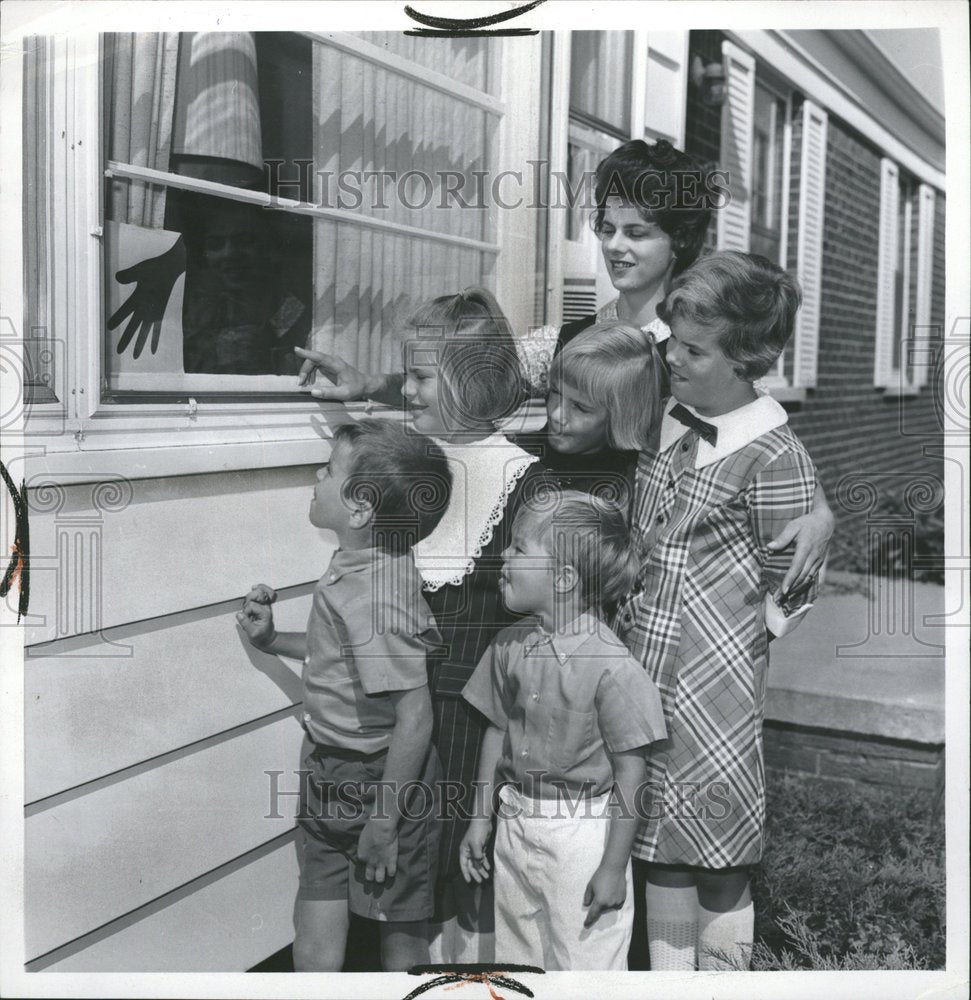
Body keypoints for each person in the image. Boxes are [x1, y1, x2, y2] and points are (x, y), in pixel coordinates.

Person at [296, 289, 551, 964]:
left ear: (469, 382)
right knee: (400, 872)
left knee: (462, 859)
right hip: (387, 718)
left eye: (418, 378)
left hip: (468, 712)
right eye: (403, 376)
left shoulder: (523, 478)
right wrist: (354, 393)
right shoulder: (405, 460)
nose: (404, 390)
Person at [613, 251, 821, 971]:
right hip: (645, 672)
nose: (672, 356)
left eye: (693, 350)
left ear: (746, 360)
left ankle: (724, 978)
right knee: (660, 844)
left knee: (717, 848)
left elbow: (790, 580)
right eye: (672, 340)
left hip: (715, 688)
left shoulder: (772, 454)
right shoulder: (677, 419)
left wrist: (741, 631)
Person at [235, 419, 451, 971]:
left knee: (399, 927)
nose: (316, 475)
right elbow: (340, 652)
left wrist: (384, 822)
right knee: (316, 910)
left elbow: (416, 716)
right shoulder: (358, 567)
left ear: (359, 510)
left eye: (328, 470)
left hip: (383, 780)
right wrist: (272, 640)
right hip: (329, 764)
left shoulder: (379, 596)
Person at [458, 491, 667, 970]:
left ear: (564, 579)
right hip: (515, 824)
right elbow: (496, 731)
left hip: (582, 835)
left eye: (519, 548)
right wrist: (480, 818)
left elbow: (633, 776)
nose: (504, 557)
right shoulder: (509, 645)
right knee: (518, 959)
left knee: (584, 964)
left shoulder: (612, 666)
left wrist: (614, 866)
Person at [516, 321, 666, 507]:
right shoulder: (518, 452)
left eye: (580, 407)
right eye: (555, 392)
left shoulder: (620, 491)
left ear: (621, 419)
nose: (556, 414)